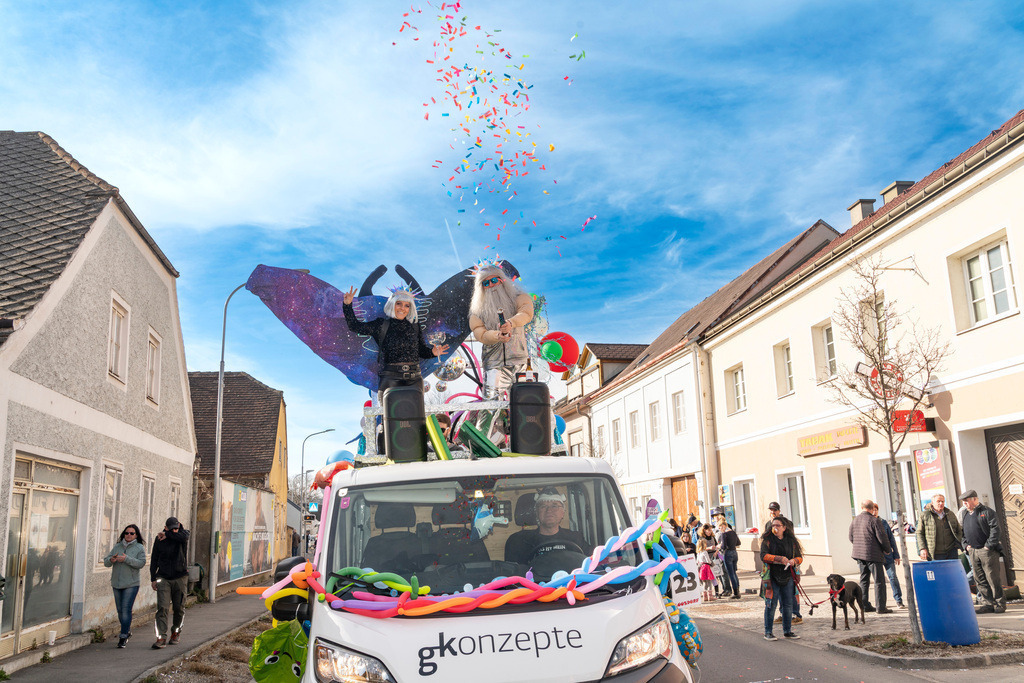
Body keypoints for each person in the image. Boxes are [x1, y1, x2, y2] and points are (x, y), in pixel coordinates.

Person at [344, 286, 448, 394]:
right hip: (390, 379)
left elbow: (421, 351)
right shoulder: (381, 324)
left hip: (415, 379)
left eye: (407, 305)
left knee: (414, 405)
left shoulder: (414, 326)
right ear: (392, 304)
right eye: (399, 303)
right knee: (392, 405)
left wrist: (432, 352)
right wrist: (347, 305)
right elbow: (354, 326)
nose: (402, 308)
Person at [467, 263, 534, 398]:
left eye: (493, 280)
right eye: (486, 283)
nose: (491, 285)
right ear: (481, 288)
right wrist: (497, 335)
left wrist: (511, 323)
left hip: (519, 362)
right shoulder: (477, 311)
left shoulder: (519, 298)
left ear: (502, 280)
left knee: (524, 403)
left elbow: (526, 313)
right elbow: (480, 334)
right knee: (491, 405)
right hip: (493, 365)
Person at [505, 488, 587, 565]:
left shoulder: (576, 539)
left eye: (554, 506)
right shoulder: (519, 541)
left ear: (562, 512)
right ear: (537, 513)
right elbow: (513, 572)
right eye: (543, 506)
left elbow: (591, 564)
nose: (549, 510)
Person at [960, 489, 1006, 614]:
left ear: (975, 499)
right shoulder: (964, 513)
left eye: (967, 501)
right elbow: (962, 532)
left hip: (987, 551)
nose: (965, 504)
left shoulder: (987, 512)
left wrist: (988, 546)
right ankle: (987, 604)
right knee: (979, 579)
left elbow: (995, 529)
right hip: (973, 551)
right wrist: (966, 546)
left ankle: (1000, 603)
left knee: (992, 578)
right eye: (964, 502)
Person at [103, 524, 147, 648]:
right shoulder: (118, 546)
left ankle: (123, 636)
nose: (129, 535)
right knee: (120, 611)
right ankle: (126, 630)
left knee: (126, 609)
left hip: (131, 584)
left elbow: (141, 563)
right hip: (117, 583)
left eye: (132, 533)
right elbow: (106, 562)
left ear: (136, 535)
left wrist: (126, 559)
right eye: (127, 533)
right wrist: (111, 560)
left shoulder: (139, 548)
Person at [760, 516, 803, 641]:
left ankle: (787, 631)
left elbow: (800, 557)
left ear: (784, 528)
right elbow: (763, 556)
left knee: (788, 605)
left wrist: (794, 561)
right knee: (771, 604)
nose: (775, 528)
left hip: (788, 576)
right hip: (772, 577)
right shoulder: (767, 541)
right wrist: (779, 559)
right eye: (773, 525)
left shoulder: (791, 541)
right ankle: (768, 632)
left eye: (778, 525)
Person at [151, 517, 190, 648]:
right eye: (171, 529)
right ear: (165, 527)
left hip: (180, 577)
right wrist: (153, 578)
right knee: (162, 607)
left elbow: (183, 537)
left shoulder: (183, 535)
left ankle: (176, 632)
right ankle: (161, 637)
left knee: (179, 608)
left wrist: (167, 534)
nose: (174, 531)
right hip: (163, 577)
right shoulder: (159, 539)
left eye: (176, 529)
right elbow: (154, 559)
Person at [848, 499, 892, 614]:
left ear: (862, 507)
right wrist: (887, 549)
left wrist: (859, 546)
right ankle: (881, 607)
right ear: (872, 509)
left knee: (864, 580)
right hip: (873, 555)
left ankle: (864, 605)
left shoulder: (855, 520)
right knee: (879, 581)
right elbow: (882, 537)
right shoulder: (874, 520)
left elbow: (851, 537)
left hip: (859, 555)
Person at [871, 503, 903, 608]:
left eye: (876, 510)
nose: (874, 512)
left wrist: (896, 555)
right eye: (872, 510)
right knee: (879, 580)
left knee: (892, 577)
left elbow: (891, 539)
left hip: (888, 555)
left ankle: (898, 600)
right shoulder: (869, 523)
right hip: (876, 556)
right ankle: (881, 603)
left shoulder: (883, 522)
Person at [916, 493, 962, 562]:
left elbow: (959, 530)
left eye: (942, 501)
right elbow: (919, 533)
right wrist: (922, 548)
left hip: (951, 551)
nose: (941, 503)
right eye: (938, 501)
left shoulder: (950, 514)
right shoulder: (925, 515)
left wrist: (957, 544)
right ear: (932, 503)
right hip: (935, 554)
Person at [698, 524, 725, 597]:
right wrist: (709, 548)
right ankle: (707, 593)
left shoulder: (712, 537)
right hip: (706, 559)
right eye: (708, 530)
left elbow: (717, 546)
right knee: (709, 577)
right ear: (704, 530)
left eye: (711, 530)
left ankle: (717, 593)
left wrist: (716, 551)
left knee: (716, 574)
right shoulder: (702, 538)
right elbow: (700, 548)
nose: (710, 532)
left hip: (714, 556)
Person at [717, 520, 742, 600]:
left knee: (731, 574)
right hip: (734, 552)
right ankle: (737, 590)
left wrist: (719, 546)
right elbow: (738, 543)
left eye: (720, 527)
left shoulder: (724, 534)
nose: (720, 529)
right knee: (734, 572)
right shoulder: (733, 532)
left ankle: (736, 593)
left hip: (728, 553)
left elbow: (723, 546)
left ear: (723, 526)